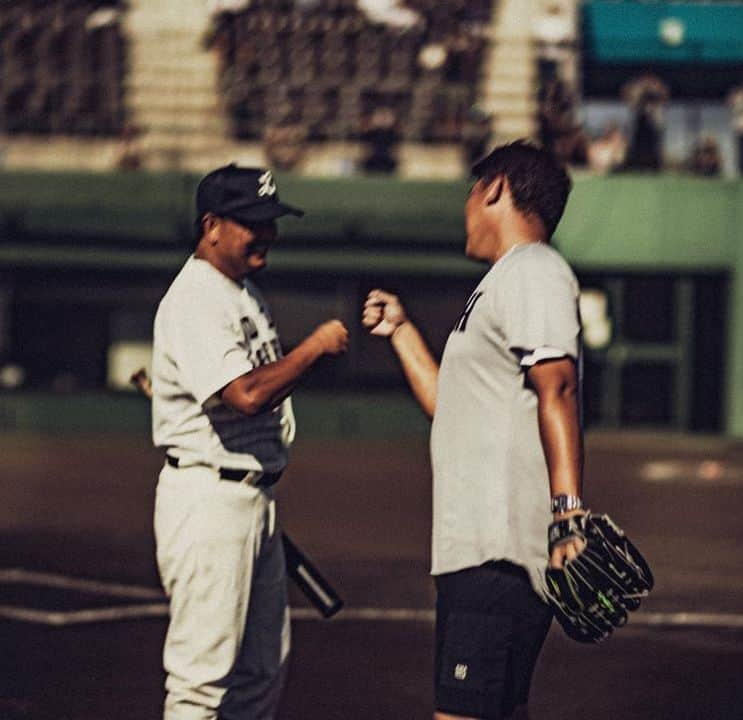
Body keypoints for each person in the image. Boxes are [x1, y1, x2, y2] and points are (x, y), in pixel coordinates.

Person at [362, 140, 586, 720]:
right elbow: (450, 404)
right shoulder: (506, 280)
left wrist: (567, 513)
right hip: (481, 556)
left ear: (495, 189)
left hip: (498, 555)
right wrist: (403, 331)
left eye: (471, 190)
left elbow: (556, 386)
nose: (464, 206)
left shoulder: (533, 269)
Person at [151, 164, 348, 720]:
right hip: (209, 496)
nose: (267, 234)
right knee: (202, 679)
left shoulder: (241, 293)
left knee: (262, 669)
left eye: (271, 222)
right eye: (252, 222)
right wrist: (313, 348)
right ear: (211, 225)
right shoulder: (196, 297)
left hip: (251, 497)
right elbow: (244, 394)